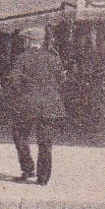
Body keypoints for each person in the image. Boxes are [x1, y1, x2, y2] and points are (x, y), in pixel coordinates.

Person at [8, 25, 67, 186]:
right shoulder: (53, 58)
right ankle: (43, 179)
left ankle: (28, 169)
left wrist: (22, 94)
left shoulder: (22, 58)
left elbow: (13, 80)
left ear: (29, 41)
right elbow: (62, 80)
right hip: (50, 106)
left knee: (20, 136)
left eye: (25, 40)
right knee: (45, 143)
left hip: (27, 105)